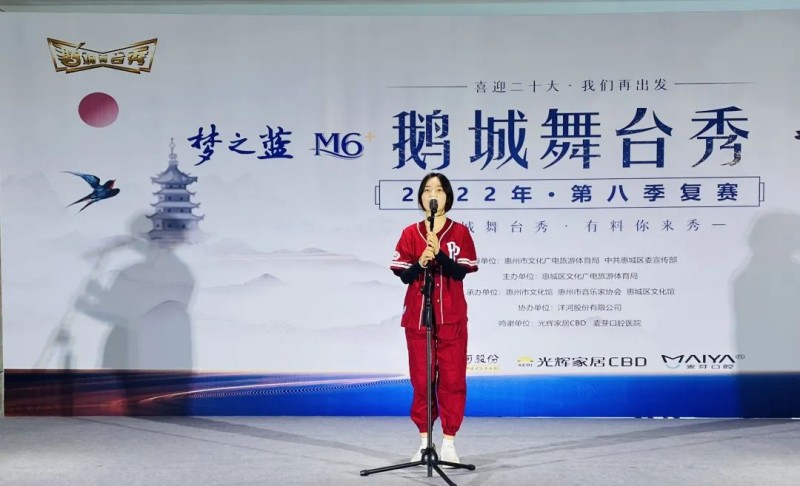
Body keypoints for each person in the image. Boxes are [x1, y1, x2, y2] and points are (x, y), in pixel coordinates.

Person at [389, 172, 479, 464]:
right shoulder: (409, 233)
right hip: (419, 317)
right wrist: (420, 262)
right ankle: (424, 441)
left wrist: (439, 255)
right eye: (427, 189)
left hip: (452, 316)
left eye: (439, 189)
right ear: (421, 197)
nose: (433, 194)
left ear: (447, 196)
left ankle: (449, 442)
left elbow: (460, 272)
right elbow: (404, 276)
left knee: (452, 378)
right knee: (422, 379)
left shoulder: (460, 232)